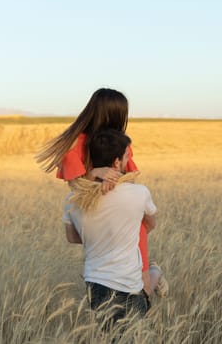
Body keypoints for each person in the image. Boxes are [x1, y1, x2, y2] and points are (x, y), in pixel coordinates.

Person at [36, 88, 167, 297]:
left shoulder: (122, 144)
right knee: (113, 286)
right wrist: (96, 173)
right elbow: (76, 188)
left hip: (124, 218)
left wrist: (115, 178)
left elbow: (131, 181)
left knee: (142, 286)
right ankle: (151, 281)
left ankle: (153, 275)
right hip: (97, 217)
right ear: (110, 114)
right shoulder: (75, 146)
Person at [63, 129, 156, 324]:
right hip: (130, 281)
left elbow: (72, 237)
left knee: (109, 335)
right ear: (116, 162)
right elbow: (150, 224)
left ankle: (156, 276)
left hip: (96, 283)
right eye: (126, 156)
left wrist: (97, 235)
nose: (127, 161)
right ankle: (156, 275)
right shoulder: (139, 192)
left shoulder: (73, 198)